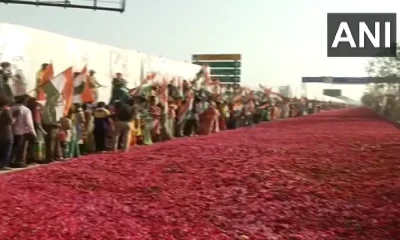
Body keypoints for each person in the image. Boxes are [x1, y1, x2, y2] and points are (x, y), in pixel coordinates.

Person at [10, 96, 37, 168]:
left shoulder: (11, 108)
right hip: (22, 132)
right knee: (22, 149)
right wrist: (33, 133)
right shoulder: (26, 110)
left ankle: (11, 162)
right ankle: (20, 162)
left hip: (11, 132)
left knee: (13, 148)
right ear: (24, 101)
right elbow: (29, 123)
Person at [0, 96, 14, 169]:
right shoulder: (6, 110)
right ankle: (3, 165)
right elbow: (10, 120)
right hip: (6, 133)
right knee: (6, 150)